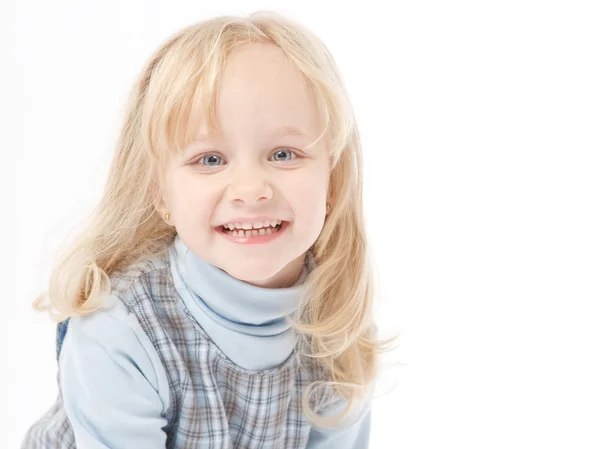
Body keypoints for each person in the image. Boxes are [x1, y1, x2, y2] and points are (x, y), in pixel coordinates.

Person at [22, 10, 395, 449]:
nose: (251, 189)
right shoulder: (120, 331)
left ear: (332, 177)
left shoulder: (338, 320)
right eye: (210, 160)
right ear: (161, 195)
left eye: (284, 154)